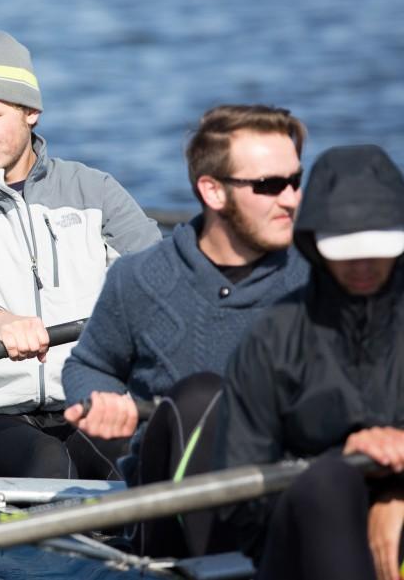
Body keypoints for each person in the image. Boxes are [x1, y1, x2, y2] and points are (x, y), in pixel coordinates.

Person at [0, 31, 161, 478]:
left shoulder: (95, 189)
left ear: (31, 112)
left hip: (91, 397)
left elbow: (158, 278)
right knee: (47, 466)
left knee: (138, 459)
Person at [60, 105, 310, 556]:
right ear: (212, 191)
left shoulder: (319, 276)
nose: (291, 198)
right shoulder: (139, 278)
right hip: (168, 511)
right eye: (270, 186)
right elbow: (89, 365)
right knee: (202, 396)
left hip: (290, 492)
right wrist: (99, 401)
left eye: (295, 181)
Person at [215, 144, 404, 580]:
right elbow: (241, 498)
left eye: (376, 247)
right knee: (329, 481)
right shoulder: (273, 337)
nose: (362, 265)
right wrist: (347, 461)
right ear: (315, 243)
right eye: (346, 250)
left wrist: (394, 494)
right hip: (302, 539)